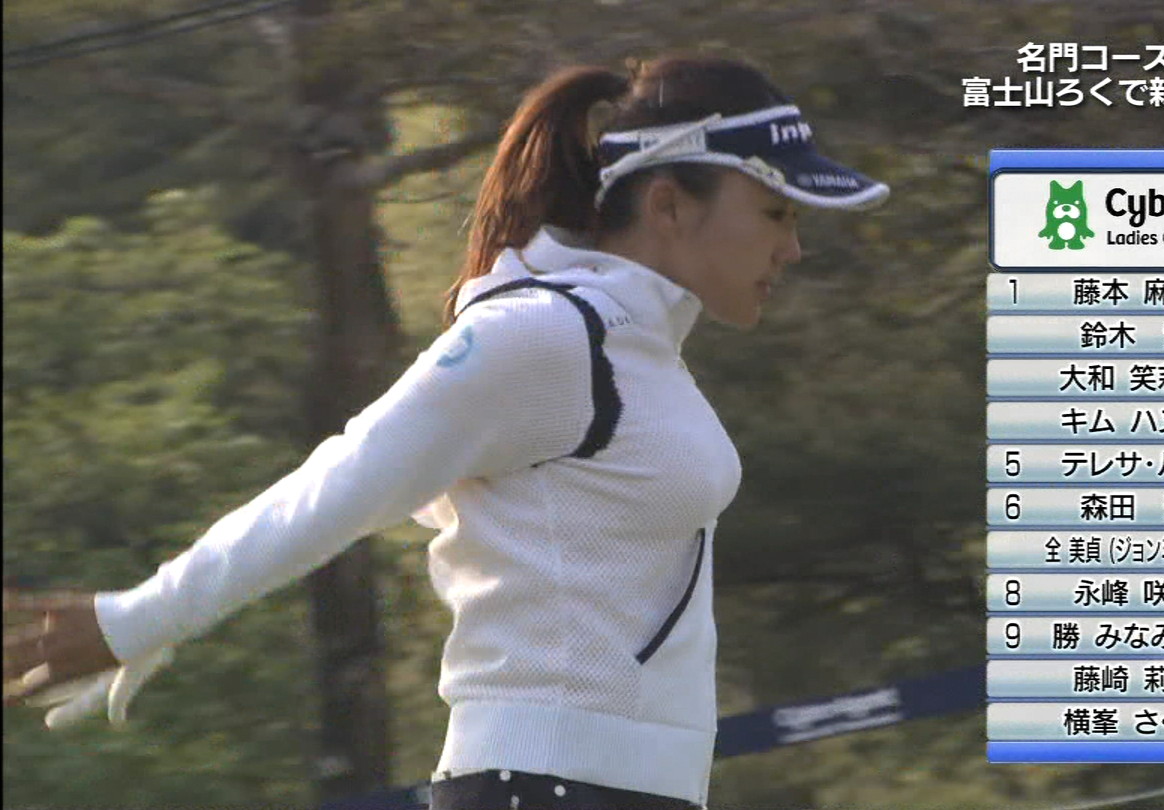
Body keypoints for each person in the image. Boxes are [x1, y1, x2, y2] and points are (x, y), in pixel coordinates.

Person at [2, 55, 888, 809]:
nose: (793, 248)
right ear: (668, 204)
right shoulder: (543, 335)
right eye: (776, 213)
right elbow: (340, 483)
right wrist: (146, 615)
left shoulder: (641, 354)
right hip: (540, 789)